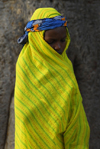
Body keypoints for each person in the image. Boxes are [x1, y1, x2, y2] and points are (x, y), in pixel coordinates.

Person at [14, 8, 90, 149]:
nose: (58, 46)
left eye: (63, 40)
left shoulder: (64, 67)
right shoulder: (25, 66)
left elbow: (74, 115)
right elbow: (24, 116)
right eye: (51, 41)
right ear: (37, 40)